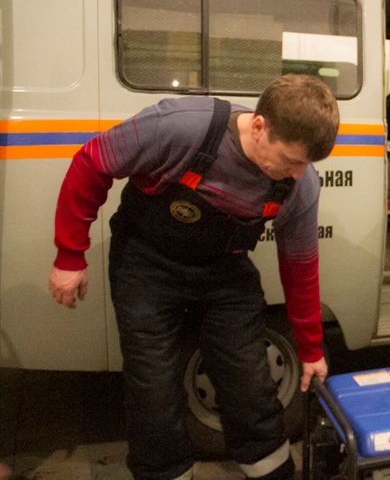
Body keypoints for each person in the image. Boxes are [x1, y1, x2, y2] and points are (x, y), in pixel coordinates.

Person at [48, 75, 339, 480]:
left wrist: (310, 348)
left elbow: (300, 264)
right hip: (147, 263)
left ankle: (272, 472)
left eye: (305, 164)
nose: (295, 173)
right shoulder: (182, 126)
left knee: (249, 381)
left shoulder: (300, 185)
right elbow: (92, 163)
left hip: (224, 271)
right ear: (259, 127)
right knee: (153, 389)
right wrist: (69, 254)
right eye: (290, 160)